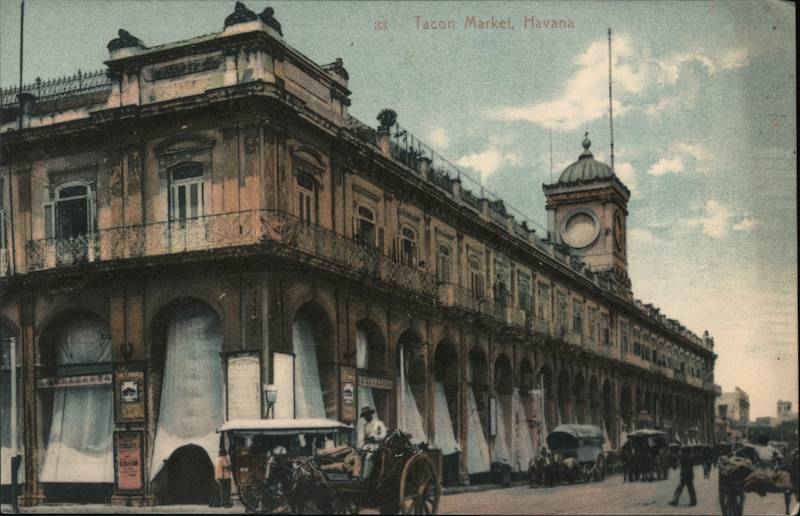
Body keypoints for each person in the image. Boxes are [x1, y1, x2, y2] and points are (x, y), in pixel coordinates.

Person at [360, 406, 386, 480]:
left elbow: (384, 434)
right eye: (364, 415)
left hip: (377, 444)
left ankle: (365, 477)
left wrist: (376, 437)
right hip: (367, 445)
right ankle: (357, 475)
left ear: (370, 414)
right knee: (358, 455)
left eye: (367, 414)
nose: (366, 417)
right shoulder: (365, 425)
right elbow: (363, 438)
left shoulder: (378, 423)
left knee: (369, 457)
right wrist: (361, 446)